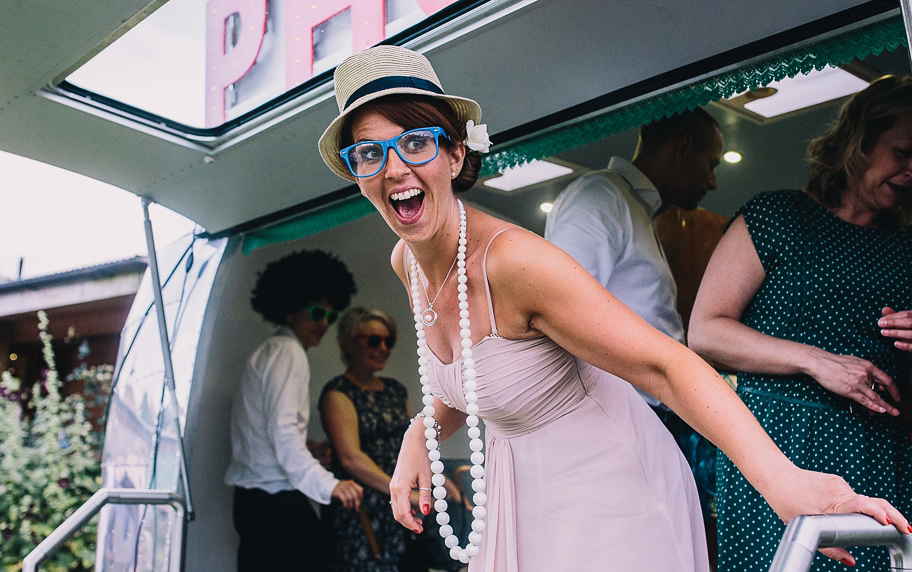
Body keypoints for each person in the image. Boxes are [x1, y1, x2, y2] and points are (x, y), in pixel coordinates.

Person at [316, 45, 909, 572]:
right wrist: (423, 430)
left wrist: (783, 483)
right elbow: (467, 372)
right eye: (369, 153)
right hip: (523, 495)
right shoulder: (407, 261)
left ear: (452, 156)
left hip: (611, 494)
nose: (394, 167)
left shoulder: (516, 265)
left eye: (415, 143)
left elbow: (666, 366)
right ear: (356, 173)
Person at [688, 74, 912, 572]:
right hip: (779, 448)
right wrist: (817, 362)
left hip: (883, 454)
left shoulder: (909, 246)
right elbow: (705, 331)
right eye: (903, 151)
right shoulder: (778, 215)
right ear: (861, 139)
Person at [543, 108, 723, 520]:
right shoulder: (599, 198)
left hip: (648, 418)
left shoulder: (632, 207)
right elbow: (559, 317)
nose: (713, 180)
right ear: (683, 147)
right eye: (711, 164)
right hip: (616, 425)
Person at [224, 250, 364, 572]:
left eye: (331, 316)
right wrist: (329, 485)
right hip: (274, 503)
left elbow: (268, 434)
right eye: (317, 312)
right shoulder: (288, 353)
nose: (324, 324)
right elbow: (284, 434)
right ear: (289, 310)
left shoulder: (271, 350)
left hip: (254, 500)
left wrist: (307, 450)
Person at [318, 306, 416, 571]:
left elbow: (414, 444)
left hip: (401, 505)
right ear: (349, 344)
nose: (383, 348)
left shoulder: (396, 389)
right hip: (362, 512)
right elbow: (351, 459)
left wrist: (435, 485)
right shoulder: (338, 392)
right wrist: (406, 493)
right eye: (374, 340)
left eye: (389, 341)